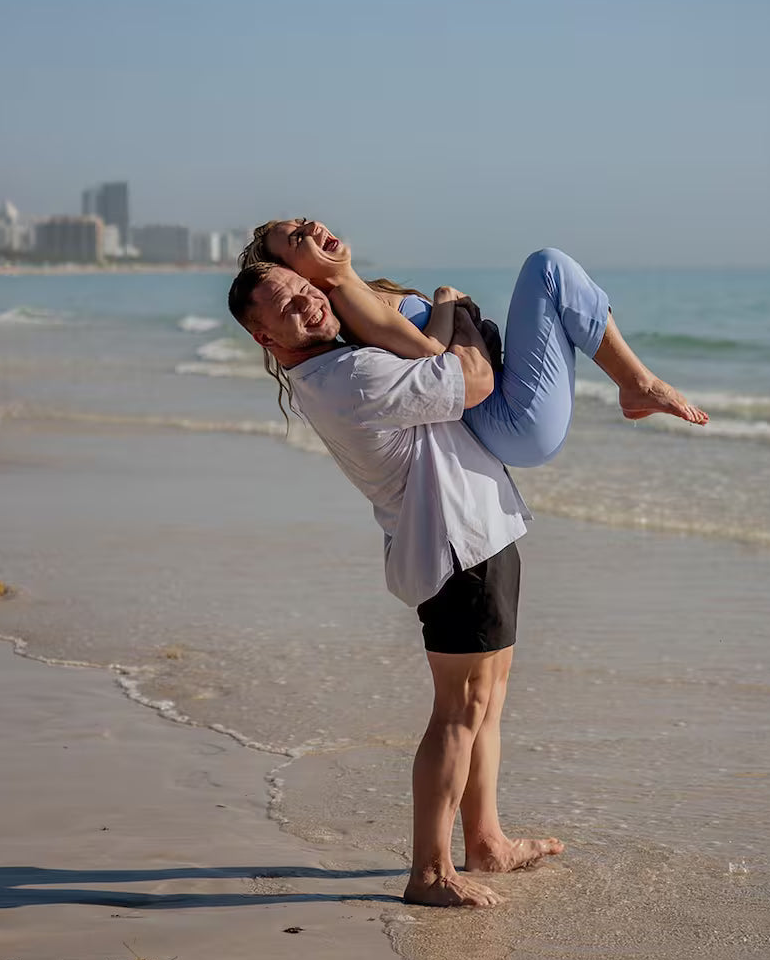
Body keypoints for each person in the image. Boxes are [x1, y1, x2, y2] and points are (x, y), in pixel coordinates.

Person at [228, 259, 555, 909]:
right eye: (286, 308)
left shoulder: (337, 366)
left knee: (486, 704)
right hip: (457, 548)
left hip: (478, 534)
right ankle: (429, 873)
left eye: (306, 291)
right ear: (266, 339)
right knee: (459, 713)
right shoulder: (351, 375)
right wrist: (452, 306)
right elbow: (472, 379)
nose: (308, 306)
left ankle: (486, 842)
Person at [238, 219, 707, 469]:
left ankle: (634, 383)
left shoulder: (356, 292)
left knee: (553, 276)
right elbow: (429, 352)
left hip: (511, 421)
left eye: (303, 221)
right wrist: (445, 303)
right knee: (548, 267)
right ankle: (637, 384)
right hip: (512, 421)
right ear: (294, 272)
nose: (314, 227)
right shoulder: (349, 303)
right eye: (299, 238)